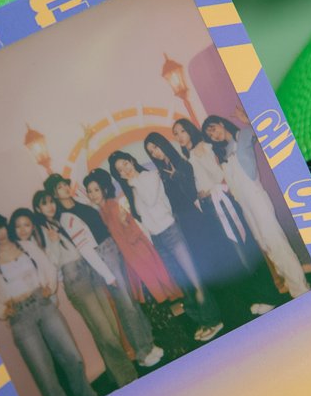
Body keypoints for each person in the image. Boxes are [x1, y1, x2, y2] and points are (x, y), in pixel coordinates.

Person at [0, 212, 96, 396]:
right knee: (45, 375)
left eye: (0, 227)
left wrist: (50, 286)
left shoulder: (26, 246)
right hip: (21, 318)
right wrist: (2, 311)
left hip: (43, 305)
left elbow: (47, 267)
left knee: (72, 356)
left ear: (5, 226)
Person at [43, 175, 164, 368]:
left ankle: (149, 343)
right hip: (103, 256)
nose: (65, 188)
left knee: (131, 300)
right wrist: (107, 274)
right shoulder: (65, 218)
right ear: (54, 194)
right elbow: (86, 249)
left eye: (65, 184)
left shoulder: (81, 202)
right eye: (59, 187)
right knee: (126, 306)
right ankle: (142, 351)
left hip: (114, 248)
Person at [20, 200, 138, 389]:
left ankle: (115, 373)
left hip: (88, 271)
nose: (50, 206)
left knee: (110, 327)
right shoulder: (40, 233)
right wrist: (53, 242)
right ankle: (127, 377)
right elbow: (53, 263)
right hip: (76, 280)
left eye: (49, 202)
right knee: (105, 332)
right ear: (37, 209)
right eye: (44, 204)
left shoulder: (60, 221)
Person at [110, 151, 223, 342]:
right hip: (158, 239)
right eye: (120, 170)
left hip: (171, 232)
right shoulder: (132, 188)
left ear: (131, 160)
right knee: (182, 283)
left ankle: (213, 320)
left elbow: (151, 199)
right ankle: (202, 321)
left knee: (193, 278)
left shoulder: (148, 177)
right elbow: (143, 217)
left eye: (125, 165)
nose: (125, 170)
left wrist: (133, 180)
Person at [172, 118, 282, 314]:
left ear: (189, 130)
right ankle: (256, 296)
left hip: (225, 202)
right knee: (235, 254)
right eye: (176, 134)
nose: (179, 136)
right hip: (212, 208)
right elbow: (198, 187)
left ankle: (269, 295)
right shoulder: (188, 158)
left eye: (182, 131)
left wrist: (212, 188)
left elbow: (221, 173)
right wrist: (201, 193)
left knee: (246, 248)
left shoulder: (206, 147)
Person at [202, 115, 311, 298]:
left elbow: (260, 132)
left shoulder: (242, 135)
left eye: (213, 129)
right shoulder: (223, 153)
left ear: (221, 123)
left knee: (276, 242)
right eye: (209, 135)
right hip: (244, 204)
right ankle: (291, 284)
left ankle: (301, 289)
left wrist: (248, 120)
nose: (214, 135)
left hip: (256, 198)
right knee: (265, 244)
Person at [84, 168, 181, 307]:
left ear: (104, 190)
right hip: (129, 257)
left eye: (96, 190)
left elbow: (134, 232)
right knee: (154, 296)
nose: (92, 195)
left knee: (160, 291)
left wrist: (125, 224)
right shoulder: (102, 212)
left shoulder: (114, 206)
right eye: (89, 191)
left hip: (139, 253)